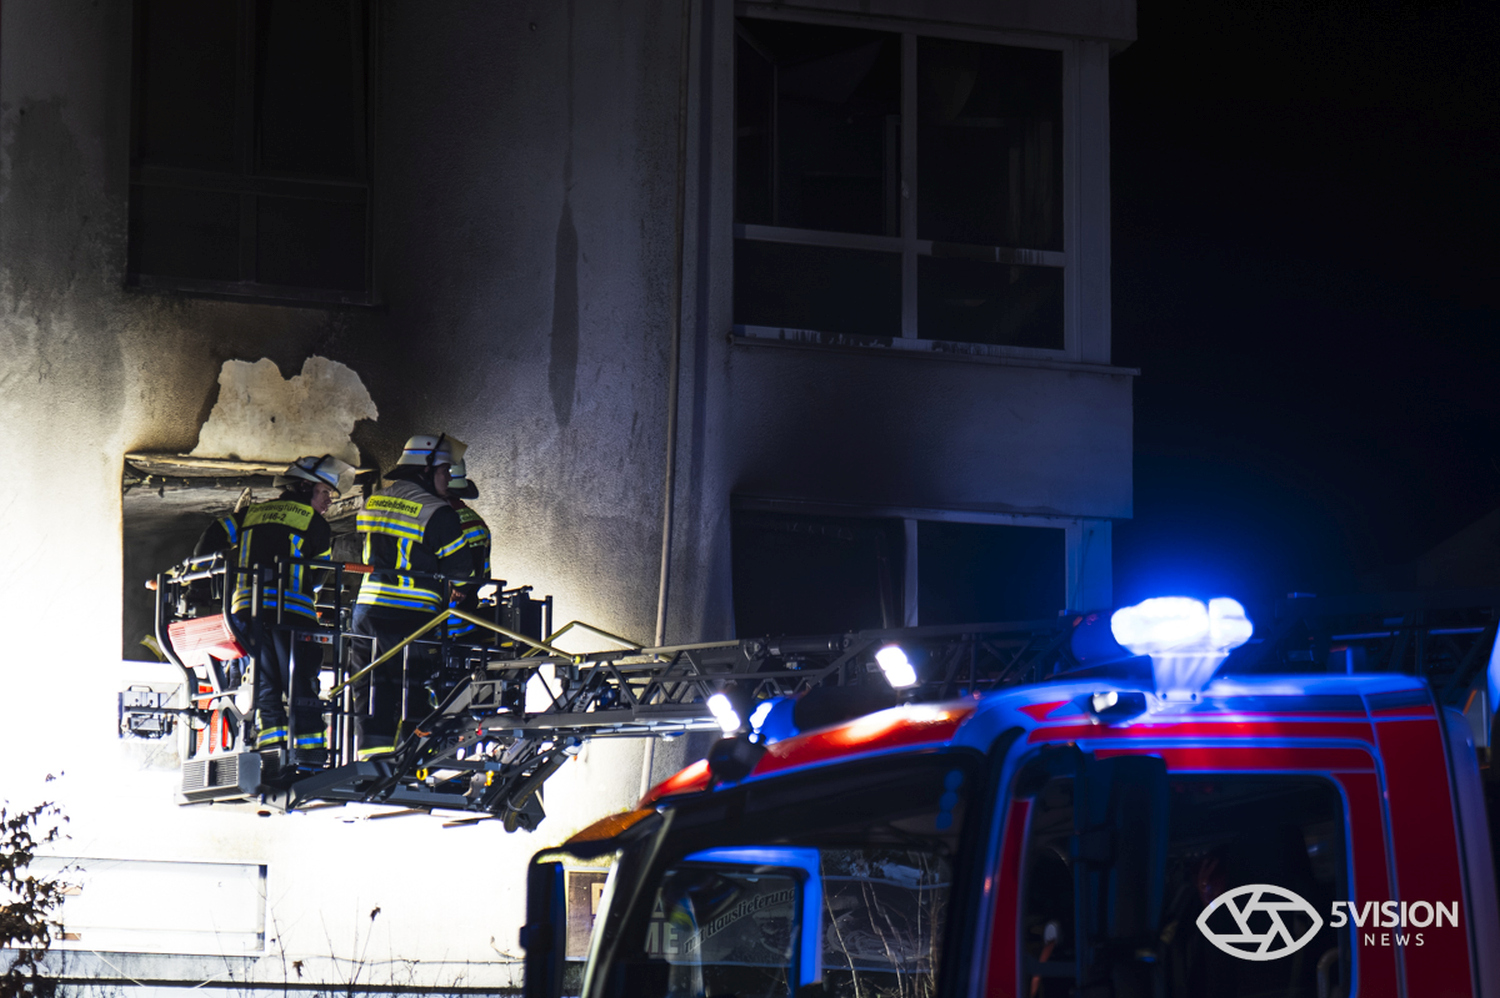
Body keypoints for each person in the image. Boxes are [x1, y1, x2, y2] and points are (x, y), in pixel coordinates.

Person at [201, 454, 351, 763]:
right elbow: (317, 577)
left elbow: (209, 539)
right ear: (304, 487)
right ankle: (309, 757)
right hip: (293, 614)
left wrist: (199, 586)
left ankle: (270, 752)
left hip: (246, 614)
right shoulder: (315, 523)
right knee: (302, 685)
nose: (327, 502)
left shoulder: (249, 514)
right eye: (324, 493)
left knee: (265, 682)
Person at [350, 433, 474, 760]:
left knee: (371, 685)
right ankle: (412, 759)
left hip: (367, 612)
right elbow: (462, 570)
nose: (448, 477)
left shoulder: (373, 501)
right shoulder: (437, 512)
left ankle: (372, 757)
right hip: (413, 615)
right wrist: (460, 589)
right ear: (424, 469)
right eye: (444, 470)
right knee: (413, 687)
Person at [444, 459, 493, 644]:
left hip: (441, 623)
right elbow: (484, 573)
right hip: (466, 623)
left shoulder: (440, 522)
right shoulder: (476, 522)